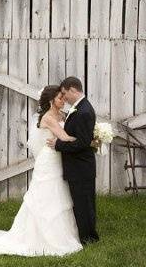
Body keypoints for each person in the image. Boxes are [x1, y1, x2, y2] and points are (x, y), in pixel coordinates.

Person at [0, 85, 83, 257]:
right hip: (49, 161)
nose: (63, 100)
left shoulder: (62, 115)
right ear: (51, 100)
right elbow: (64, 137)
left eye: (63, 97)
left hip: (59, 159)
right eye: (60, 98)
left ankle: (64, 234)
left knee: (60, 195)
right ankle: (39, 237)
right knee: (46, 196)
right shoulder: (48, 118)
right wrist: (88, 140)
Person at [46, 76, 100, 244]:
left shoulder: (83, 111)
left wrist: (58, 145)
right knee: (83, 203)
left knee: (84, 204)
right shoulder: (80, 107)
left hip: (81, 167)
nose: (65, 98)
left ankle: (88, 238)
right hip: (80, 167)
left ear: (73, 90)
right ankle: (87, 235)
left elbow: (81, 143)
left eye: (65, 93)